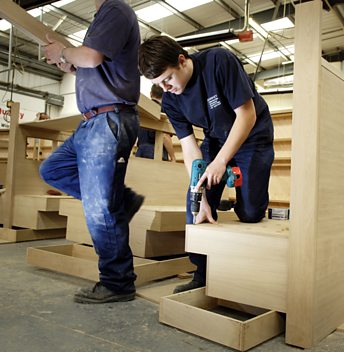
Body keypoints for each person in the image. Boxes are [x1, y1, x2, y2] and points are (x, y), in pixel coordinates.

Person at [138, 36, 274, 293]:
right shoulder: (170, 100)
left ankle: (242, 205)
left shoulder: (218, 61)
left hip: (253, 134)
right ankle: (202, 272)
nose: (165, 88)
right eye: (158, 84)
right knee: (194, 203)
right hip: (216, 136)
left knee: (251, 214)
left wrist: (222, 161)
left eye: (167, 79)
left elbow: (247, 114)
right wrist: (199, 195)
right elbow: (190, 148)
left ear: (181, 60)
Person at [41, 0, 143, 304]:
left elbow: (91, 56)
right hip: (92, 121)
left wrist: (63, 51)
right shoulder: (103, 16)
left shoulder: (115, 9)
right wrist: (66, 61)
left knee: (100, 209)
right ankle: (122, 201)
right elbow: (86, 63)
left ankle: (118, 282)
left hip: (107, 119)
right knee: (52, 170)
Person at [135, 85, 176, 161]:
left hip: (140, 150)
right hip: (156, 151)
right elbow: (165, 136)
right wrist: (173, 157)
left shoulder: (142, 110)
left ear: (151, 94)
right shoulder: (163, 112)